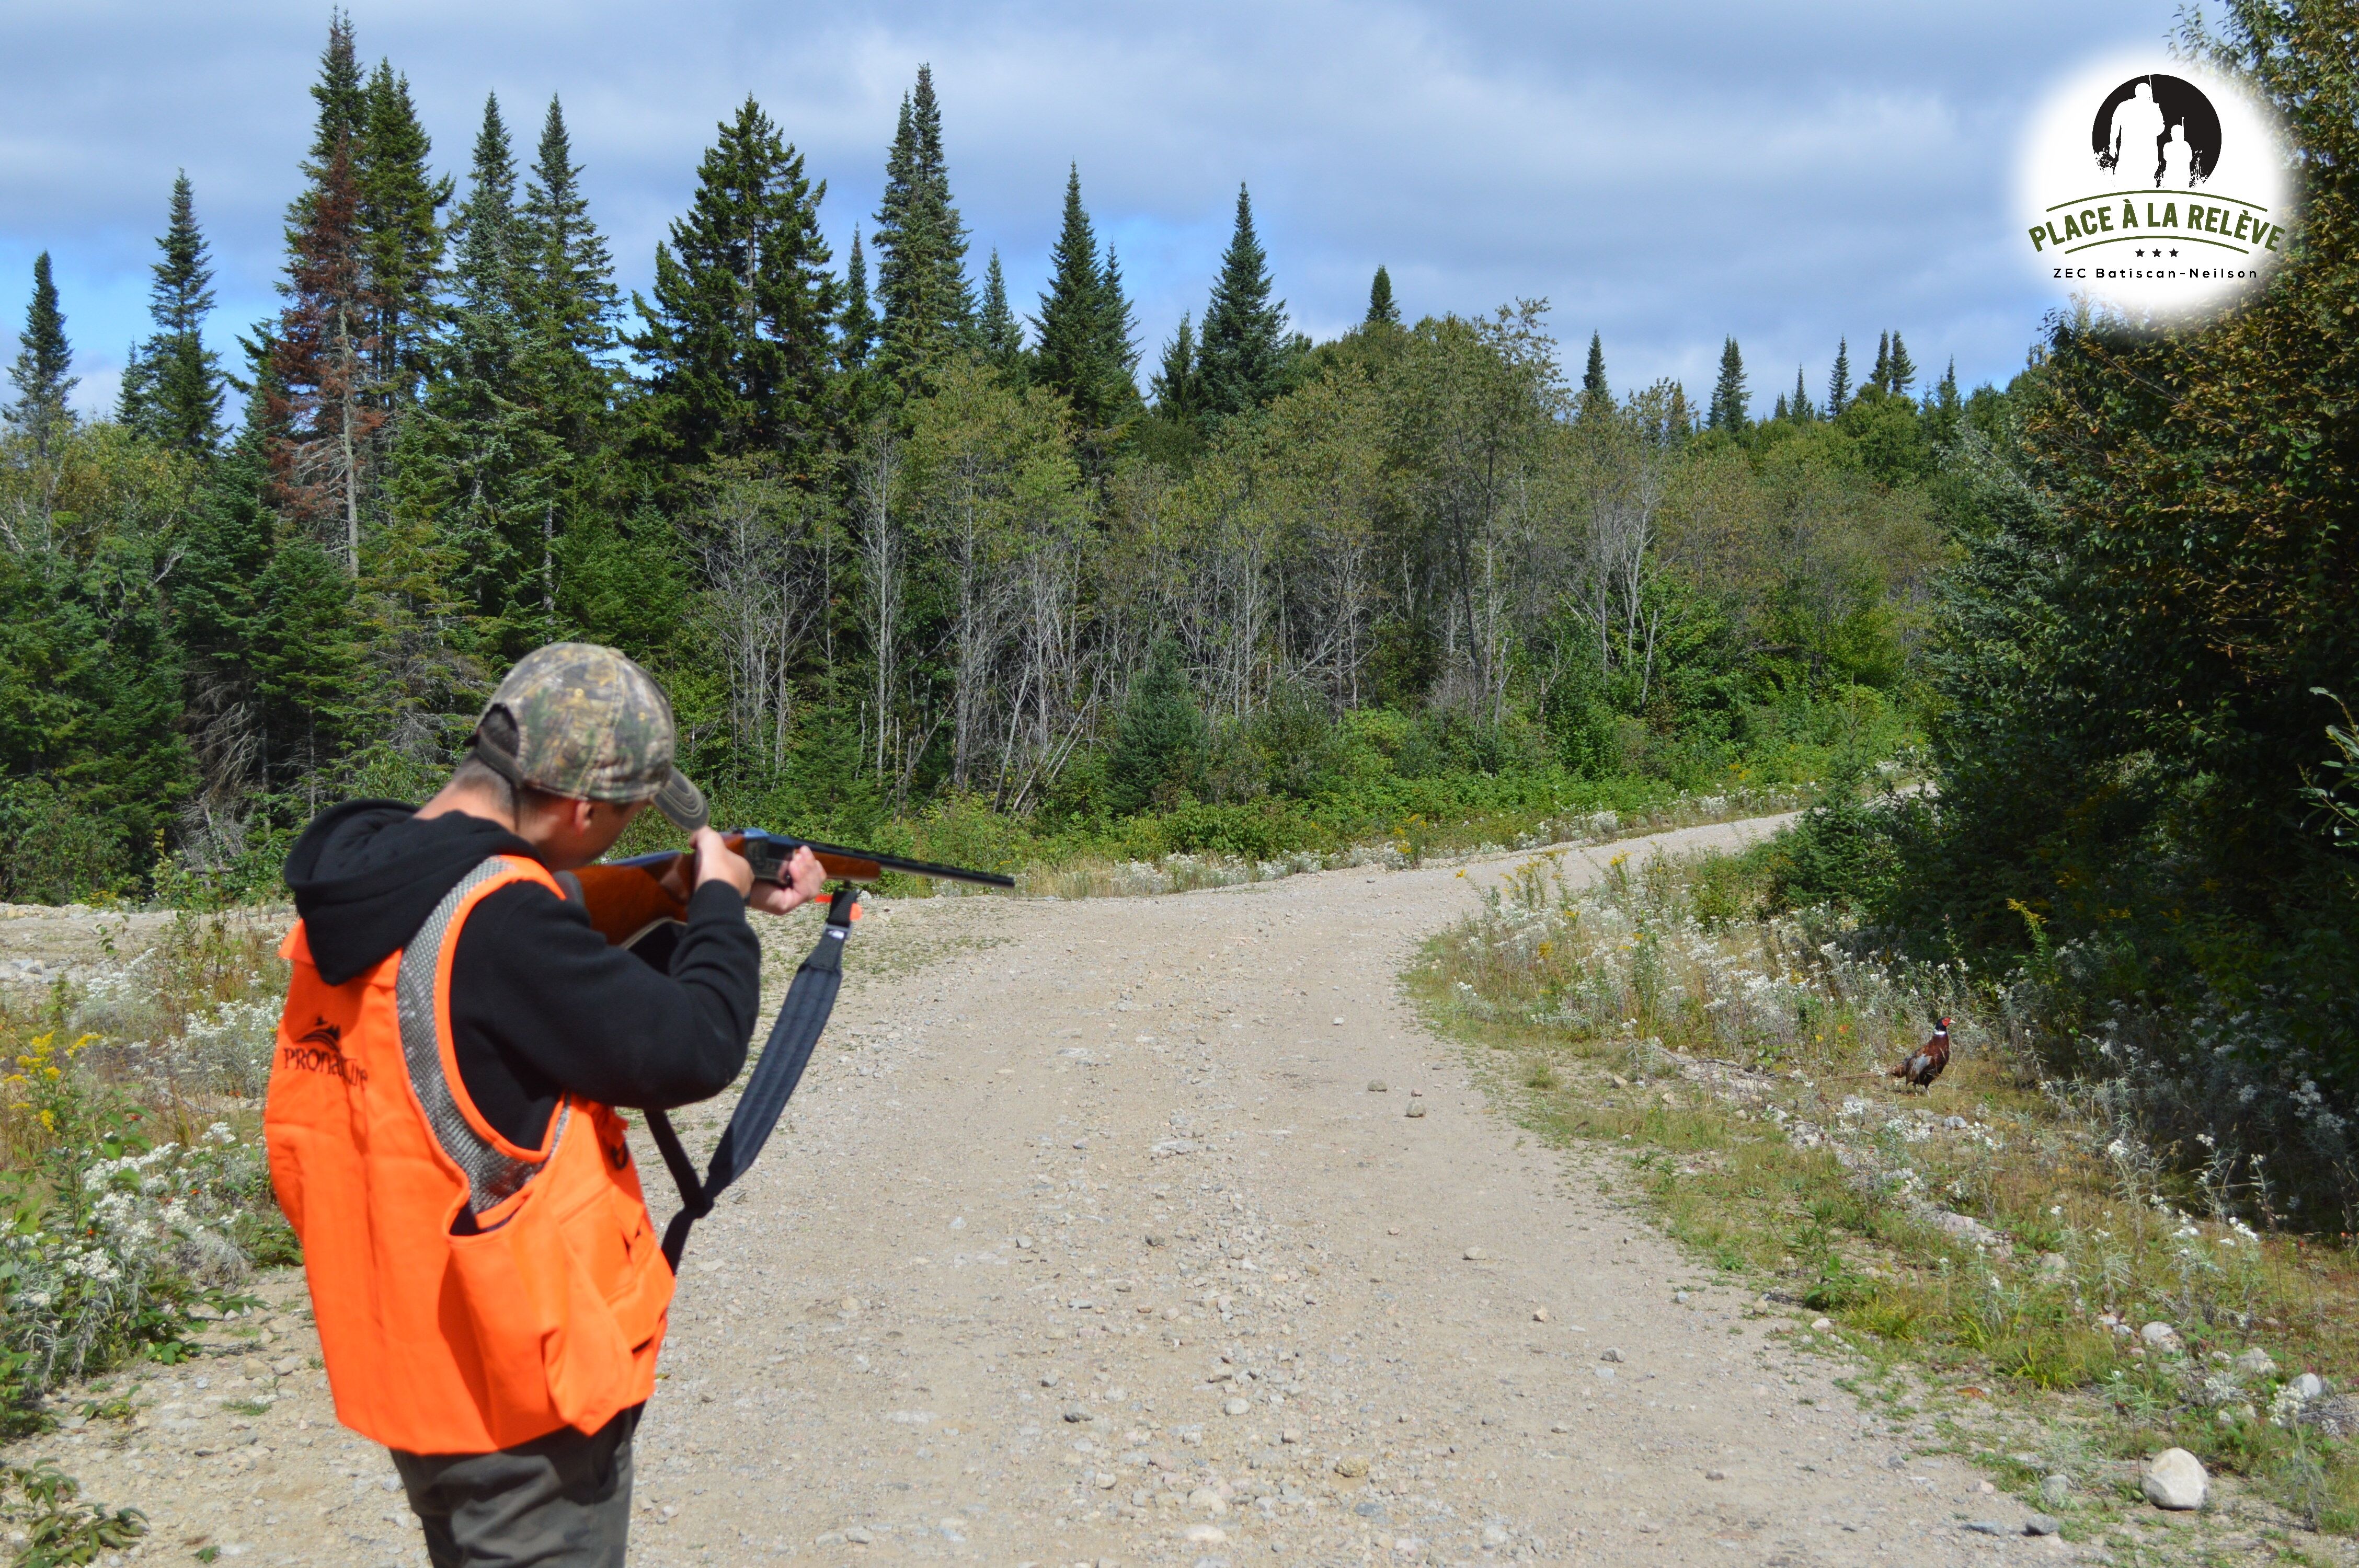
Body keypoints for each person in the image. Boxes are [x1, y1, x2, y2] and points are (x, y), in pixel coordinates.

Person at [265, 643, 823, 1567]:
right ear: (577, 806)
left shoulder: (373, 880)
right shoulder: (501, 915)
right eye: (628, 816)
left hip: (419, 1365)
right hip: (525, 1401)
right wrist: (722, 909)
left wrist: (680, 901)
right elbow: (693, 1047)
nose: (628, 830)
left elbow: (528, 1021)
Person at [2106, 79, 2167, 187]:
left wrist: (2156, 117)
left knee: (2146, 178)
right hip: (2131, 150)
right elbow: (2115, 125)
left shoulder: (2153, 107)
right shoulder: (2125, 106)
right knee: (2128, 177)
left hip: (2147, 150)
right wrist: (2112, 145)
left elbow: (2160, 129)